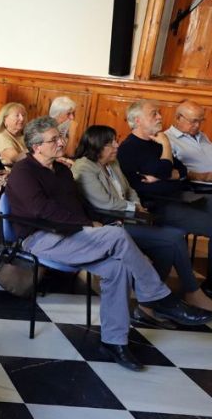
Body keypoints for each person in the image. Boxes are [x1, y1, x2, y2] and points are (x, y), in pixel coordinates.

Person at [7, 116, 210, 370]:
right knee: (116, 235)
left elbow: (77, 205)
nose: (62, 142)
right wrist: (87, 225)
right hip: (40, 238)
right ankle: (160, 299)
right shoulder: (23, 172)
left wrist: (95, 221)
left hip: (72, 235)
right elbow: (41, 210)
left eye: (61, 137)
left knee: (117, 268)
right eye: (54, 139)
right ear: (36, 146)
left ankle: (114, 341)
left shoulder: (60, 170)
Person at [72, 125, 212, 320]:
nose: (116, 145)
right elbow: (104, 202)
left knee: (168, 245)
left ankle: (148, 306)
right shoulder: (84, 166)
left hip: (130, 218)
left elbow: (129, 190)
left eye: (115, 141)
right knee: (172, 238)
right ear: (96, 145)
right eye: (110, 143)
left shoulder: (112, 164)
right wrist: (134, 208)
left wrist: (136, 204)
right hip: (110, 224)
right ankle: (183, 294)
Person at [117, 99, 212, 293]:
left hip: (182, 196)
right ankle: (196, 290)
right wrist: (167, 146)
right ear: (138, 120)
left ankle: (165, 293)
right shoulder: (130, 147)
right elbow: (164, 170)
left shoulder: (154, 142)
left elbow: (180, 169)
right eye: (154, 114)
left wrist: (167, 173)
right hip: (158, 206)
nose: (160, 117)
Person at [166, 100, 212, 180]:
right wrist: (203, 177)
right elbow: (168, 172)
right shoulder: (167, 139)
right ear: (178, 118)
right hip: (195, 187)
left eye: (201, 121)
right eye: (193, 121)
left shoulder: (202, 135)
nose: (197, 125)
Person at [0, 102, 28, 167]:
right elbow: (15, 159)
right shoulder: (2, 137)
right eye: (17, 115)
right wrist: (37, 149)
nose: (22, 119)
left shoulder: (25, 134)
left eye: (23, 115)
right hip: (12, 174)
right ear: (5, 119)